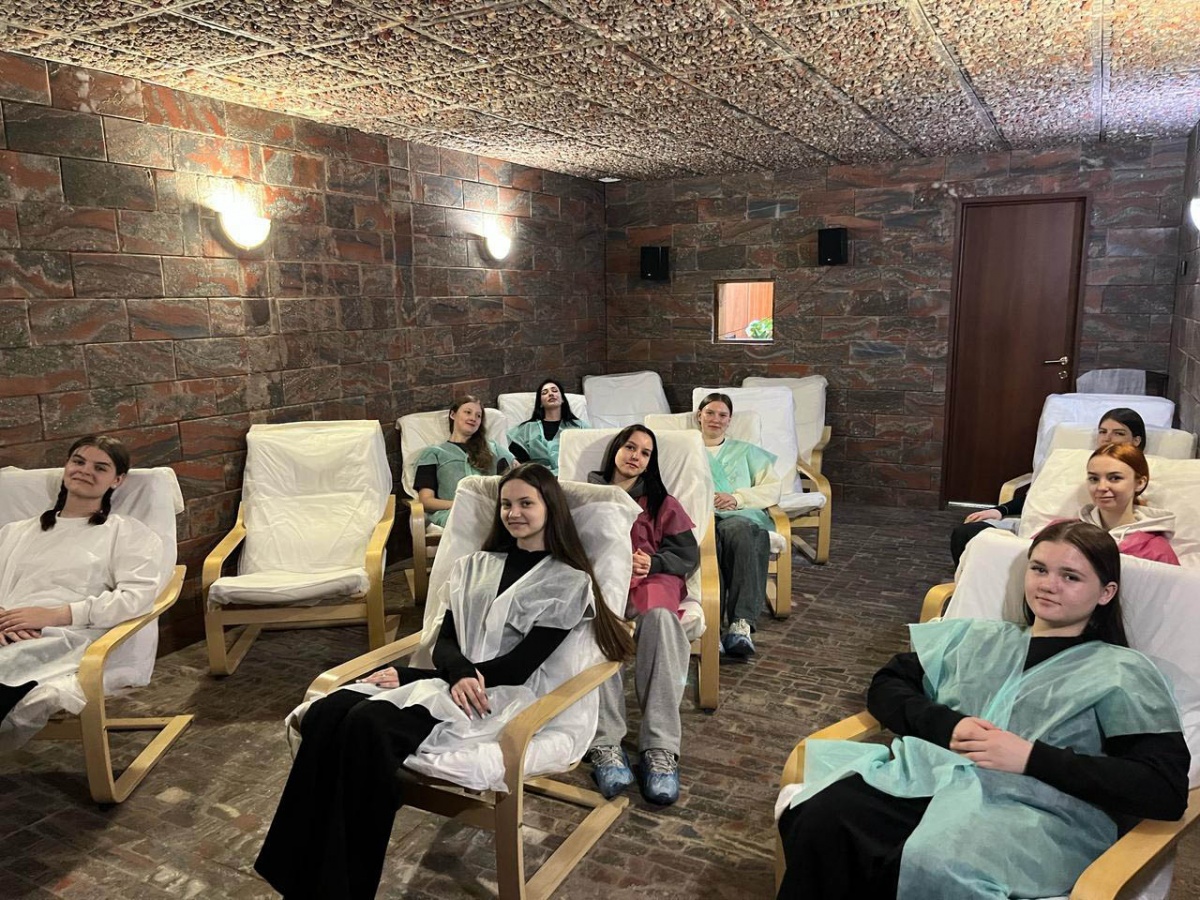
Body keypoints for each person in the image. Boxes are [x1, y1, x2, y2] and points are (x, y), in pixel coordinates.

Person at [255, 463, 634, 900]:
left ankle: (343, 889)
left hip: (497, 699)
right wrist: (442, 674)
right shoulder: (474, 565)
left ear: (551, 508)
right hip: (449, 681)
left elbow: (518, 667)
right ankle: (293, 872)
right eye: (506, 504)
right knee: (327, 712)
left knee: (368, 725)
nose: (513, 513)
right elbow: (446, 641)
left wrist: (420, 676)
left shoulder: (568, 581)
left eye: (526, 503)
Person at [777, 520, 1189, 900]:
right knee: (823, 815)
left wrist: (1030, 757)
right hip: (927, 780)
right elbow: (887, 684)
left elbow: (1163, 788)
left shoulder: (1122, 671)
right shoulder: (977, 639)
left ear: (1105, 593)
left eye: (1071, 577)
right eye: (1039, 569)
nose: (1049, 585)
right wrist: (946, 726)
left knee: (934, 863)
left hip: (1034, 815)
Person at [0, 436, 162, 750]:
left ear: (117, 480)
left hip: (62, 639)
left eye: (100, 467)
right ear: (66, 467)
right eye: (78, 461)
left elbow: (137, 597)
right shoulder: (15, 532)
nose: (85, 470)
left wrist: (56, 615)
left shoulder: (125, 533)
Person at [583, 425, 699, 805]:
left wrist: (654, 561)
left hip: (651, 583)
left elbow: (688, 554)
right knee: (593, 621)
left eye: (645, 452)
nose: (635, 456)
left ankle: (660, 748)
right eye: (630, 447)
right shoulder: (586, 496)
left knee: (662, 620)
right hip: (603, 584)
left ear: (650, 463)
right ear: (616, 450)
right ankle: (605, 743)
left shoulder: (662, 503)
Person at [951, 407, 1147, 564]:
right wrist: (1000, 510)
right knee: (966, 533)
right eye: (1103, 432)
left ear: (1136, 440)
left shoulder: (1140, 471)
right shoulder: (1070, 461)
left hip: (1080, 535)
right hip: (1041, 526)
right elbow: (1042, 494)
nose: (1107, 438)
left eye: (1118, 433)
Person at [695, 392, 780, 658]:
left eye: (722, 415)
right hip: (700, 515)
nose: (716, 419)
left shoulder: (746, 451)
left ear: (729, 420)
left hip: (737, 515)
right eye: (710, 413)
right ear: (699, 416)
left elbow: (772, 488)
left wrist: (737, 498)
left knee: (740, 531)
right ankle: (710, 625)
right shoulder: (685, 448)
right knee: (711, 541)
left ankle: (740, 624)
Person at [413, 395, 515, 528]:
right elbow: (426, 501)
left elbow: (517, 472)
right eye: (468, 412)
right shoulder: (433, 453)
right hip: (454, 513)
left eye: (478, 416)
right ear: (453, 414)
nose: (473, 418)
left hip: (491, 511)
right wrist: (461, 504)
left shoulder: (493, 448)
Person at [1072, 442, 1179, 564]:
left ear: (1140, 483)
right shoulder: (1067, 532)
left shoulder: (1157, 551)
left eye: (1115, 478)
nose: (1101, 487)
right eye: (1094, 479)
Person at [507, 379, 589, 475]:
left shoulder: (580, 427)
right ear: (540, 403)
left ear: (562, 399)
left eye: (554, 391)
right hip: (539, 477)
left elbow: (593, 452)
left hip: (573, 476)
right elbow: (514, 456)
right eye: (544, 393)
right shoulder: (526, 429)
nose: (550, 394)